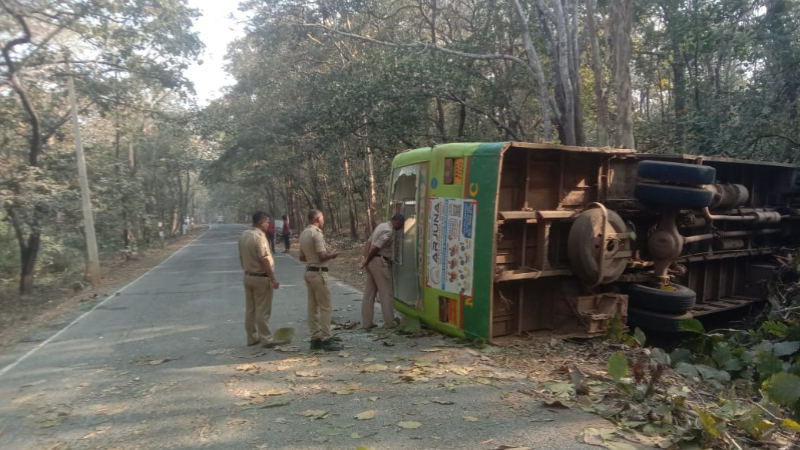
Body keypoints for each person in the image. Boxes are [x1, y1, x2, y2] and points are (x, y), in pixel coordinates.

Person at [299, 209, 343, 351]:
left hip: (308, 271)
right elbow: (322, 256)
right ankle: (326, 338)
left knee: (312, 307)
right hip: (319, 273)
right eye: (322, 218)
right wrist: (332, 255)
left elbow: (301, 257)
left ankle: (315, 339)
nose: (323, 221)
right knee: (325, 306)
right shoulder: (317, 233)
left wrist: (312, 258)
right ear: (318, 219)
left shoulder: (304, 233)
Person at [238, 211, 280, 347]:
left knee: (251, 310)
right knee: (263, 310)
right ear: (261, 223)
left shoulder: (244, 235)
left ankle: (252, 337)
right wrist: (272, 279)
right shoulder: (260, 237)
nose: (269, 225)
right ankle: (266, 339)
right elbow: (264, 260)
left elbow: (241, 257)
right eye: (267, 222)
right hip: (261, 278)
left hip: (248, 276)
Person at [361, 214, 405, 329]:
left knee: (369, 293)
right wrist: (366, 260)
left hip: (371, 262)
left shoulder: (381, 226)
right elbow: (376, 247)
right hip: (378, 261)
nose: (401, 227)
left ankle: (367, 323)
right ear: (398, 222)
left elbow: (368, 242)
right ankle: (390, 323)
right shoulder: (388, 231)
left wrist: (366, 259)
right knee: (386, 293)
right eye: (401, 224)